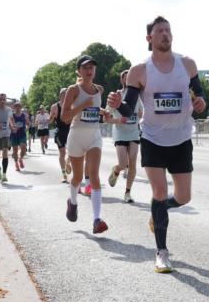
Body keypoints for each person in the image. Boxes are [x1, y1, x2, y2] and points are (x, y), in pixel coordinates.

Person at [108, 16, 206, 273]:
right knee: (159, 192)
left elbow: (201, 95)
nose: (166, 34)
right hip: (152, 138)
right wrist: (119, 105)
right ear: (149, 38)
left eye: (168, 30)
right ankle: (162, 252)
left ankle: (158, 212)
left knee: (183, 197)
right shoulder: (140, 70)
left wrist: (201, 103)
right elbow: (129, 106)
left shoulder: (187, 64)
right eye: (160, 31)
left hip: (182, 137)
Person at [61, 56, 108, 234]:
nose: (89, 71)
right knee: (78, 178)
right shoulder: (73, 90)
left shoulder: (99, 90)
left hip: (94, 136)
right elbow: (65, 117)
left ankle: (97, 220)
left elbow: (94, 109)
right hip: (76, 137)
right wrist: (82, 105)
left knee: (94, 176)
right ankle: (72, 202)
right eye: (85, 68)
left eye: (92, 67)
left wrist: (104, 113)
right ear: (79, 71)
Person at [107, 69, 142, 204]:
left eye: (130, 78)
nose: (128, 80)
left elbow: (142, 112)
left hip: (134, 132)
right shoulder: (116, 95)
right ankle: (116, 170)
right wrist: (118, 120)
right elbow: (107, 118)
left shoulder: (137, 96)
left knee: (132, 163)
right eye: (126, 78)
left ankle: (127, 193)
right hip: (120, 132)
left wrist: (139, 115)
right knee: (123, 164)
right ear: (122, 80)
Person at [51, 88, 71, 183]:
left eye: (67, 94)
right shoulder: (55, 106)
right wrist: (50, 118)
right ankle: (64, 174)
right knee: (62, 152)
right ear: (60, 96)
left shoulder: (72, 105)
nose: (65, 95)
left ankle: (68, 162)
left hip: (71, 131)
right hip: (60, 132)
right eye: (63, 94)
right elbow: (50, 120)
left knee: (72, 152)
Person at [9, 101, 29, 171]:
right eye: (16, 106)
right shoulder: (12, 116)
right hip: (14, 135)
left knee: (23, 148)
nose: (17, 108)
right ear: (14, 108)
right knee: (15, 150)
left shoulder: (24, 115)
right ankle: (16, 164)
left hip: (22, 134)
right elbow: (10, 124)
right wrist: (12, 128)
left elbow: (28, 124)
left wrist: (26, 128)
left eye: (19, 106)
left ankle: (20, 159)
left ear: (21, 107)